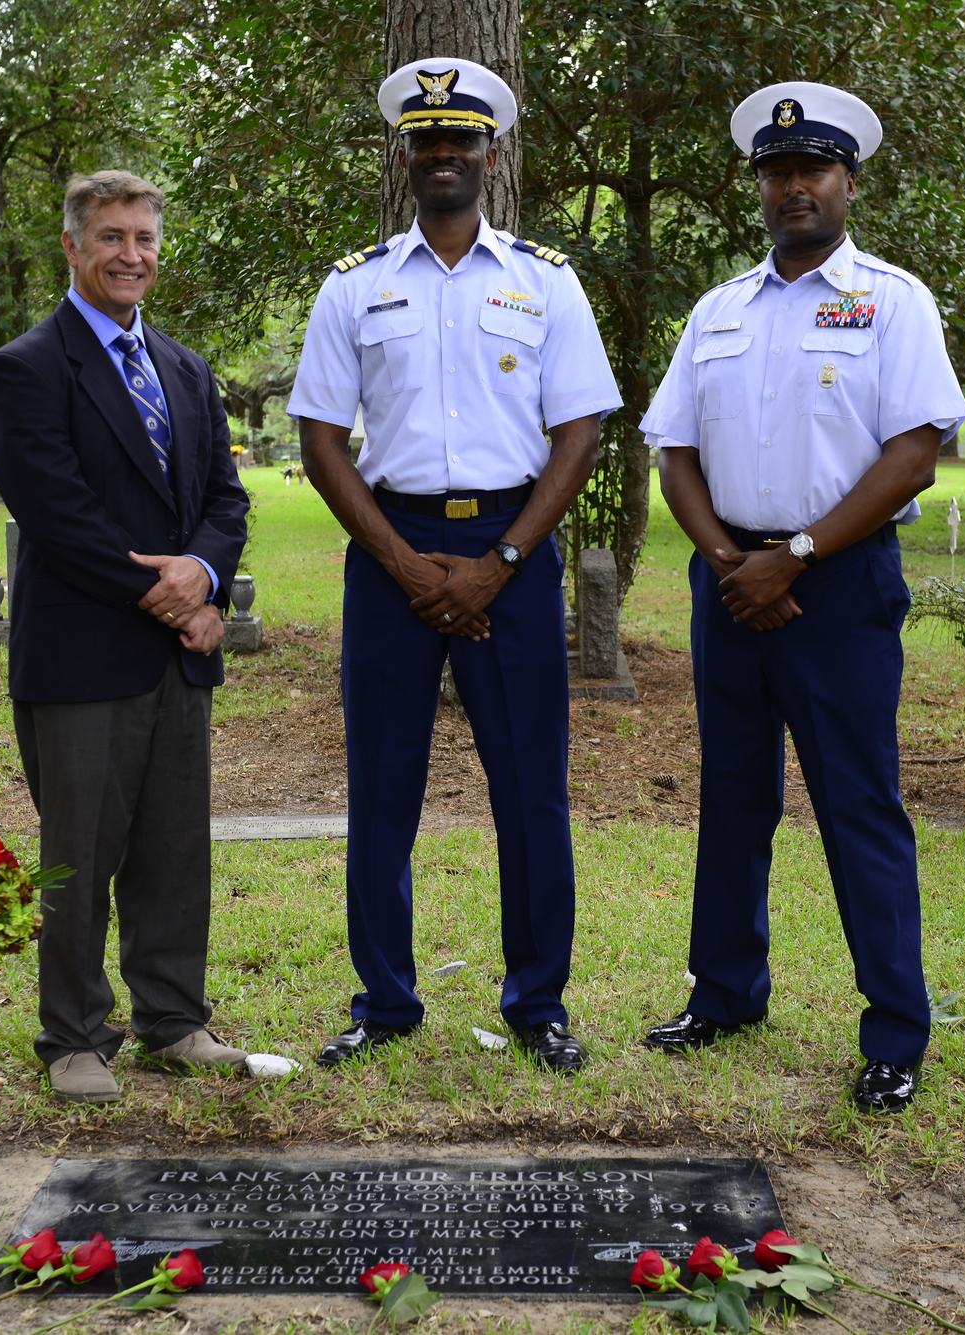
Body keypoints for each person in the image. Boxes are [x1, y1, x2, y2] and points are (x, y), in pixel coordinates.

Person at [637, 84, 965, 1113]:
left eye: (811, 171)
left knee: (856, 805)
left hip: (837, 586)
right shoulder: (718, 310)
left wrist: (799, 554)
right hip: (729, 581)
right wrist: (732, 563)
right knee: (732, 798)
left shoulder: (893, 301)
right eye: (777, 174)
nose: (793, 188)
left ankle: (893, 1033)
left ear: (846, 183)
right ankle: (726, 995)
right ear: (762, 189)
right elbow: (674, 450)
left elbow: (912, 455)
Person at [287, 58, 622, 1074]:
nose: (443, 154)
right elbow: (319, 439)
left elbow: (579, 432)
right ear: (405, 155)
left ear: (488, 153)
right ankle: (383, 1002)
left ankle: (538, 1004)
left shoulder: (544, 281)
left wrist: (500, 562)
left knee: (530, 794)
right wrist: (401, 565)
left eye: (460, 140)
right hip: (387, 550)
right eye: (426, 140)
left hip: (510, 557)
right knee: (380, 791)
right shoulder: (354, 287)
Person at [0, 170, 252, 1103]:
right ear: (72, 246)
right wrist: (177, 594)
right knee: (81, 851)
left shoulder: (185, 369)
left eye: (143, 237)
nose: (130, 255)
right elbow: (58, 514)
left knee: (176, 849)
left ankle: (173, 1021)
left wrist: (207, 574)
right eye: (110, 238)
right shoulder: (26, 367)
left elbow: (224, 496)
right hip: (83, 657)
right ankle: (73, 1035)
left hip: (178, 659)